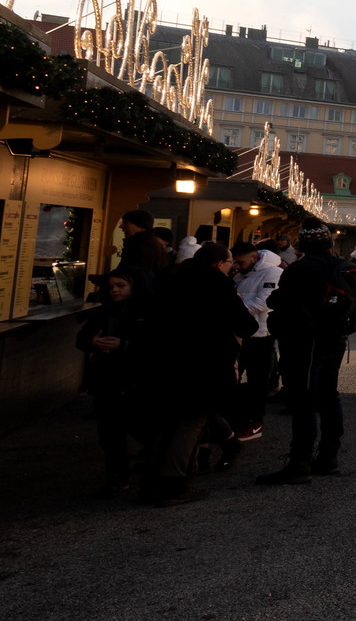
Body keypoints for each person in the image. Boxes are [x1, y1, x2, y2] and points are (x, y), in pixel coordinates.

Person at [145, 243, 256, 504]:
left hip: (167, 360)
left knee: (171, 420)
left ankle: (154, 479)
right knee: (191, 421)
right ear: (220, 264)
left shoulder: (174, 279)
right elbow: (246, 325)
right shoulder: (218, 284)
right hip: (203, 363)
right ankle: (173, 482)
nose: (232, 267)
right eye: (230, 262)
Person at [256, 225, 350, 485]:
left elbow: (280, 301)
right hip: (335, 338)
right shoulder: (340, 265)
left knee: (303, 399)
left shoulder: (299, 269)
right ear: (329, 244)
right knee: (329, 397)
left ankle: (300, 462)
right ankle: (329, 457)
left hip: (305, 342)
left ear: (301, 246)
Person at [74, 268, 149, 495]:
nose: (115, 290)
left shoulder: (145, 311)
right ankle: (117, 476)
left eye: (120, 286)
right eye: (111, 286)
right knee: (109, 432)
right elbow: (82, 338)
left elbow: (154, 344)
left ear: (133, 286)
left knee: (138, 426)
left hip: (134, 378)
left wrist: (124, 345)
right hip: (106, 378)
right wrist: (93, 342)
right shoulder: (103, 311)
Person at [230, 240, 283, 441]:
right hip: (239, 335)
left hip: (260, 336)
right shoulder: (240, 274)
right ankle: (234, 418)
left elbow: (264, 302)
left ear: (253, 257)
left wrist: (233, 310)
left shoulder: (273, 273)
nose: (237, 266)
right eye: (234, 262)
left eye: (240, 262)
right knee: (232, 377)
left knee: (258, 382)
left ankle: (255, 421)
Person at [114, 210, 168, 296]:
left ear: (140, 225)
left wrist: (103, 279)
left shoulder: (142, 246)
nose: (121, 226)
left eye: (126, 223)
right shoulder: (148, 244)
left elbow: (133, 274)